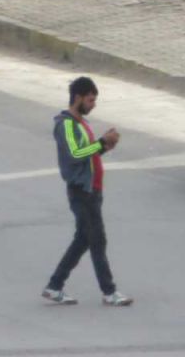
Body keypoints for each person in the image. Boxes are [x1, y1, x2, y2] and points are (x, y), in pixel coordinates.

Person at [44, 76, 133, 306]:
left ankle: (54, 286)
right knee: (97, 240)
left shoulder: (81, 124)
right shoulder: (65, 125)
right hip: (81, 193)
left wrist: (104, 146)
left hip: (91, 192)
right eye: (91, 100)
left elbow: (86, 156)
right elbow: (75, 155)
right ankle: (109, 291)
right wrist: (102, 143)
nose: (93, 105)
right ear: (78, 98)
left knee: (83, 240)